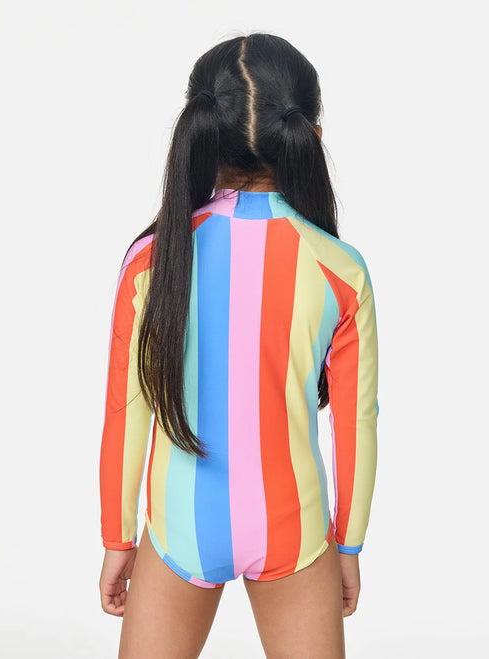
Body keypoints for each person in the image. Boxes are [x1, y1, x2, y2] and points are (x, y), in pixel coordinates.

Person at [98, 32, 379, 659]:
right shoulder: (340, 268)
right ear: (311, 136)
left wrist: (118, 539)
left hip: (179, 528)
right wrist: (349, 545)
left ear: (201, 134)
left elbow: (126, 411)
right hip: (295, 528)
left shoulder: (152, 259)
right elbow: (357, 425)